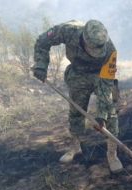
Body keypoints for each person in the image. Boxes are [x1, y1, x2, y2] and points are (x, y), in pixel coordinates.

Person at [32, 19, 123, 173]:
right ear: (84, 39)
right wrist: (41, 64)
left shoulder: (110, 51)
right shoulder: (68, 30)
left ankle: (112, 154)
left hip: (101, 75)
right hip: (78, 72)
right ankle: (75, 147)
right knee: (76, 109)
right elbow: (43, 40)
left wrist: (101, 116)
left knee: (111, 112)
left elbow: (106, 86)